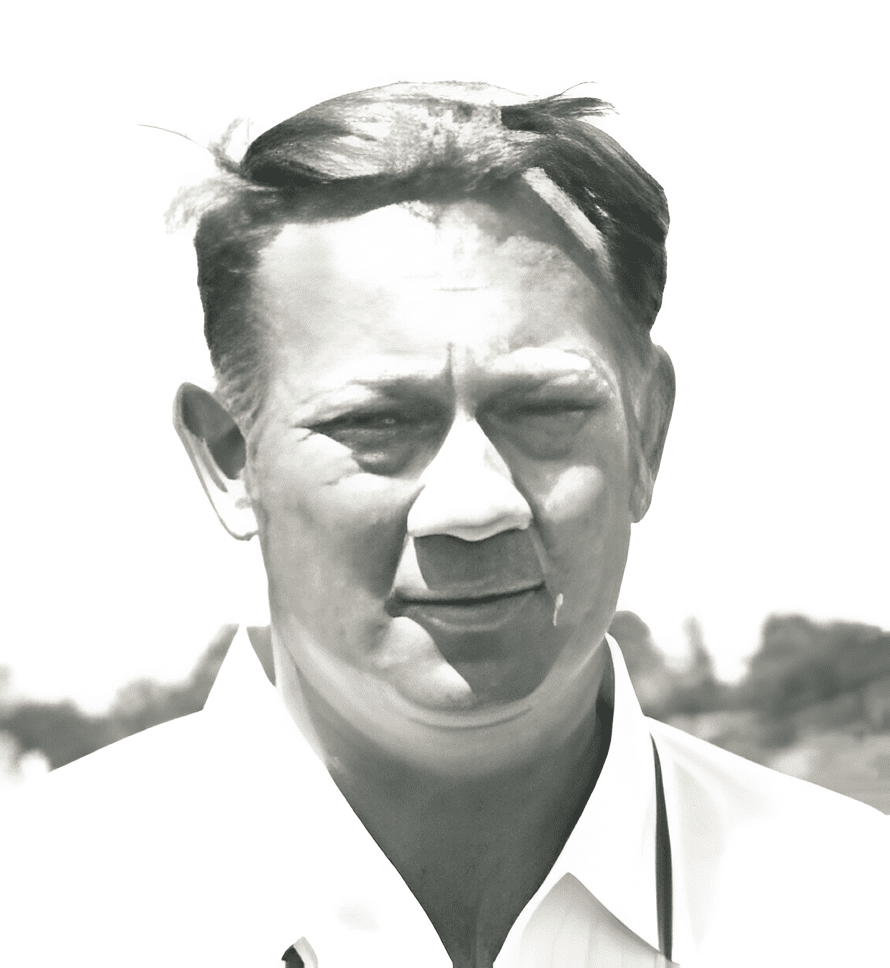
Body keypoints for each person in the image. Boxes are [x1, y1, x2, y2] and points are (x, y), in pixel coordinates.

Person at [1, 82, 887, 968]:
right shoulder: (36, 911)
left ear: (647, 432)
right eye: (377, 425)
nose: (475, 506)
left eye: (543, 409)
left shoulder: (854, 909)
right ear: (232, 460)